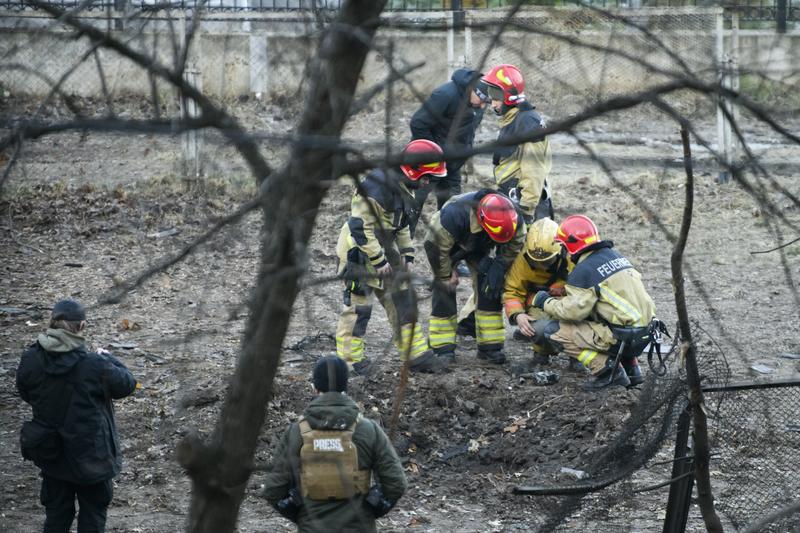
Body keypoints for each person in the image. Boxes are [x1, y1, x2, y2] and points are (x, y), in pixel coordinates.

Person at [16, 299, 138, 532]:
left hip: (51, 453)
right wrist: (108, 358)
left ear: (52, 323)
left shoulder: (31, 357)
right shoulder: (94, 364)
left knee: (56, 518)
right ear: (82, 326)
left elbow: (25, 392)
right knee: (93, 517)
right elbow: (128, 385)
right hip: (91, 457)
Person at [335, 139, 447, 374]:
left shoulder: (405, 187)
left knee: (404, 301)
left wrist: (407, 253)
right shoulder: (376, 188)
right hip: (360, 252)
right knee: (359, 310)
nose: (428, 183)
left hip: (386, 250)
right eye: (426, 177)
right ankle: (350, 362)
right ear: (411, 170)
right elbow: (359, 227)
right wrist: (379, 260)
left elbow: (402, 223)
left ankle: (415, 355)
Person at [262, 356, 407, 533]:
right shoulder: (368, 430)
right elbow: (396, 484)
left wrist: (301, 514)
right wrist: (371, 510)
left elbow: (273, 490)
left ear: (315, 387)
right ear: (345, 386)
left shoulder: (296, 433)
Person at [528, 215, 657, 390]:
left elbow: (572, 312)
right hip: (645, 333)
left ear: (570, 246)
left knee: (554, 331)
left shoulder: (584, 269)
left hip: (622, 338)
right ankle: (632, 370)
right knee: (610, 318)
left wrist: (544, 301)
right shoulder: (615, 256)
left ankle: (608, 372)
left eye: (563, 246)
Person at [424, 190, 525, 366]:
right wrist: (445, 274)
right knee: (445, 287)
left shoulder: (514, 217)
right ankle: (442, 348)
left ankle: (490, 347)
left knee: (490, 285)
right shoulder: (452, 217)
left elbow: (515, 243)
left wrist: (500, 266)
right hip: (450, 246)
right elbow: (434, 246)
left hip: (483, 245)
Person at [409, 68, 490, 237]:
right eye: (481, 99)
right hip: (428, 163)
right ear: (471, 89)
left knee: (453, 206)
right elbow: (418, 123)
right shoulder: (445, 95)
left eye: (486, 102)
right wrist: (435, 153)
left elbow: (469, 131)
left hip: (453, 164)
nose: (483, 105)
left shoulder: (478, 104)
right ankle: (404, 240)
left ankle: (446, 241)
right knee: (415, 202)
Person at [481, 64, 553, 224]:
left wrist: (526, 210)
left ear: (509, 96)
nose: (492, 104)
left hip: (524, 203)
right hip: (512, 197)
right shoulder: (514, 119)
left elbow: (534, 170)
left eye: (496, 97)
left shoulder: (527, 123)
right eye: (490, 96)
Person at [502, 217, 575, 371]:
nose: (541, 266)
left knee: (579, 314)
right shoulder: (522, 261)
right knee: (536, 319)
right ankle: (541, 353)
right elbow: (512, 291)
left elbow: (585, 289)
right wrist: (518, 315)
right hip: (537, 303)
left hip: (569, 302)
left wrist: (561, 290)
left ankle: (576, 356)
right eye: (536, 262)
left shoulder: (572, 257)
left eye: (546, 262)